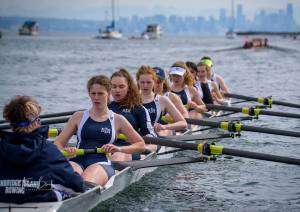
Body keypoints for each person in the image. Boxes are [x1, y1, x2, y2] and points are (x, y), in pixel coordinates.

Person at [55, 75, 145, 186]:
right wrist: (66, 150)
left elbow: (141, 145)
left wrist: (119, 148)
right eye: (93, 94)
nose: (96, 98)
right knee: (66, 181)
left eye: (100, 93)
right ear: (89, 94)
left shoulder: (118, 119)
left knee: (84, 183)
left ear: (108, 93)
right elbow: (58, 143)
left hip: (101, 162)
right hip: (76, 159)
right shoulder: (78, 116)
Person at [0, 96, 85, 203]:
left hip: (4, 199)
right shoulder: (47, 149)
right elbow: (77, 185)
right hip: (39, 200)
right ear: (36, 122)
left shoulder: (1, 147)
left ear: (11, 123)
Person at [109, 69, 155, 161]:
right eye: (114, 87)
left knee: (117, 156)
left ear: (129, 87)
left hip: (129, 150)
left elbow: (152, 141)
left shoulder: (139, 109)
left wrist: (137, 143)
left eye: (121, 87)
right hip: (108, 149)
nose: (117, 90)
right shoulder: (106, 108)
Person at [136, 65, 187, 138]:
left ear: (154, 82)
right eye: (142, 82)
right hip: (135, 137)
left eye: (149, 82)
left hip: (153, 138)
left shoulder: (162, 100)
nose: (145, 85)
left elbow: (183, 123)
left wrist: (164, 127)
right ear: (138, 82)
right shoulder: (131, 100)